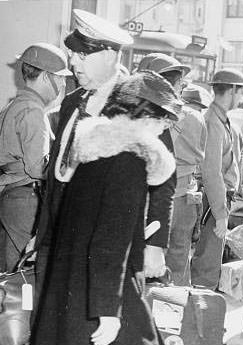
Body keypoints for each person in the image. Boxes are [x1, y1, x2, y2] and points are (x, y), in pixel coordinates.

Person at [13, 71, 194, 345]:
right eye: (164, 119)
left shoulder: (91, 153)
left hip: (68, 295)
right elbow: (108, 244)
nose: (165, 127)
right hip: (105, 297)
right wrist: (108, 312)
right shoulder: (130, 161)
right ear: (146, 116)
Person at [34, 10, 172, 306]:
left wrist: (156, 244)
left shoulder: (140, 104)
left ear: (110, 55)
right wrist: (43, 233)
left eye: (82, 55)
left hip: (107, 243)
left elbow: (163, 179)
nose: (72, 63)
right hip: (58, 239)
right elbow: (58, 176)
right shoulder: (72, 101)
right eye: (73, 54)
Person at [0, 43, 70, 272]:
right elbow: (38, 168)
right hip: (26, 200)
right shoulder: (33, 111)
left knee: (8, 272)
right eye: (60, 79)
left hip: (11, 197)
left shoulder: (14, 106)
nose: (62, 85)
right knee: (22, 276)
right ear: (45, 77)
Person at [137, 53, 205, 287]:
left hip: (153, 200)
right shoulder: (192, 117)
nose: (181, 88)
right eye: (179, 83)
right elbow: (201, 158)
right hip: (183, 196)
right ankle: (174, 318)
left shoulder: (139, 116)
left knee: (146, 265)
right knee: (176, 264)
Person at [190, 68, 243, 290]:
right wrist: (221, 214)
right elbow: (212, 172)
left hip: (216, 199)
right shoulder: (214, 122)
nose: (241, 98)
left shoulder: (220, 119)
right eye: (240, 92)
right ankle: (200, 320)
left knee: (209, 261)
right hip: (214, 201)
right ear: (232, 90)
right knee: (207, 265)